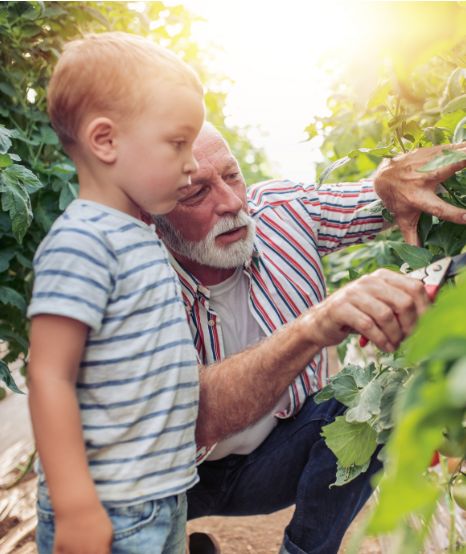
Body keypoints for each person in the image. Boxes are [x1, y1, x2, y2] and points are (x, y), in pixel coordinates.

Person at [154, 123, 466, 554]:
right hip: (168, 481)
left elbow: (383, 195)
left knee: (374, 401)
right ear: (150, 212)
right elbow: (196, 418)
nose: (230, 203)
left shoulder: (285, 214)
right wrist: (314, 325)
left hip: (270, 461)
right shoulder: (136, 281)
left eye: (232, 176)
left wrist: (388, 180)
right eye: (195, 193)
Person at [27, 32, 205, 554]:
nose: (192, 163)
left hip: (158, 495)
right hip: (110, 505)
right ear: (105, 141)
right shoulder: (84, 240)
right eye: (178, 143)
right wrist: (77, 506)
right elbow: (48, 373)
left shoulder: (139, 233)